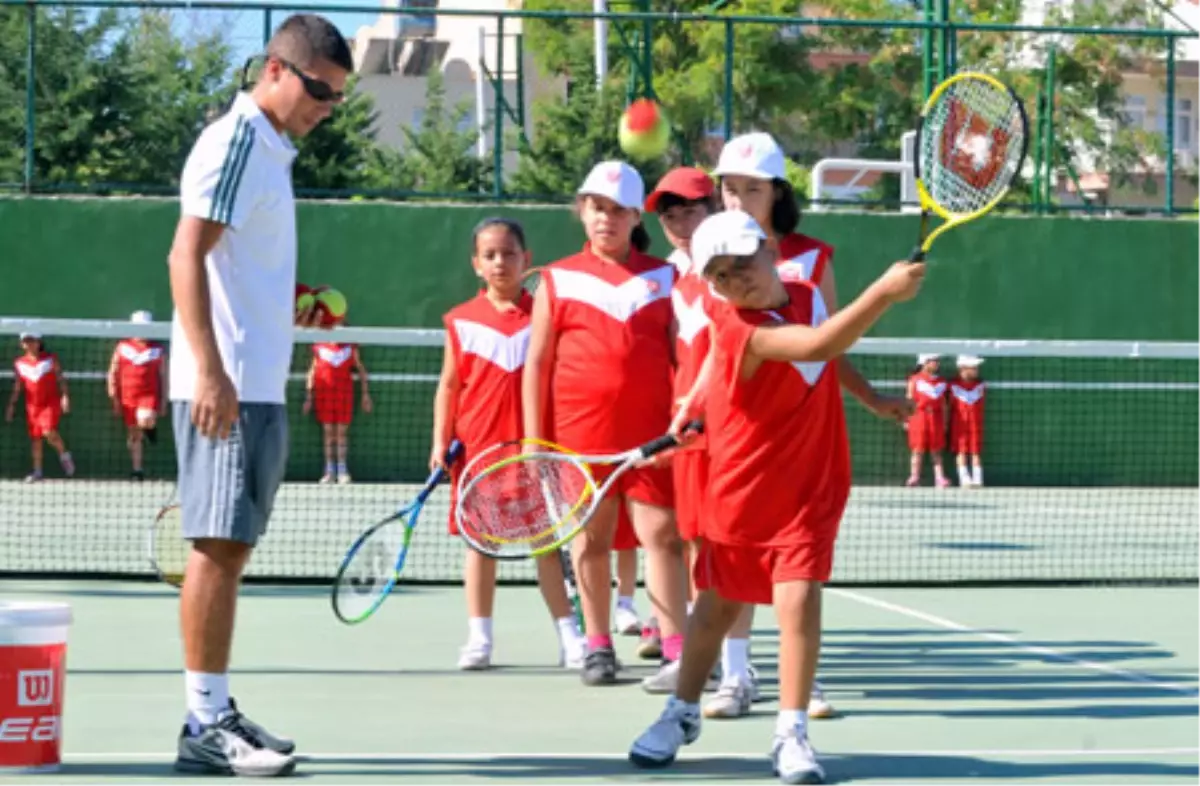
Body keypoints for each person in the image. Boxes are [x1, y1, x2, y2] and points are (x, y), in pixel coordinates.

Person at [628, 209, 925, 785]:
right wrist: (883, 294)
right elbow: (815, 345)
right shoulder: (743, 326)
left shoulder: (807, 289)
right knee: (714, 608)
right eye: (722, 276)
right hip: (742, 487)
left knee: (797, 601)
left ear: (769, 248)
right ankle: (681, 712)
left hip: (810, 487)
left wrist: (871, 399)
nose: (739, 281)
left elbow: (828, 356)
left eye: (745, 263)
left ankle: (790, 731)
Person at [166, 13, 351, 777]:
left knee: (232, 549)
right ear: (275, 69)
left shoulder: (273, 151)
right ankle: (203, 723)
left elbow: (238, 267)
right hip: (229, 387)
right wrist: (212, 371)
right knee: (216, 547)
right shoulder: (238, 140)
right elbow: (185, 252)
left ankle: (217, 706)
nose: (325, 107)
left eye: (336, 98)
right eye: (317, 90)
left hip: (259, 383)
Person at [523, 161, 688, 687]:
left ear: (636, 216)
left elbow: (680, 358)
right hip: (578, 438)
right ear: (582, 211)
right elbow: (538, 363)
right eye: (597, 207)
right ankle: (597, 645)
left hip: (651, 436)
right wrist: (533, 438)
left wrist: (684, 424)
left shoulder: (666, 278)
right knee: (590, 542)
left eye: (618, 210)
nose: (606, 219)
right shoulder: (556, 278)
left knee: (660, 537)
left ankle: (676, 645)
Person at [432, 217, 586, 671]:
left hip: (534, 452)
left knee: (546, 546)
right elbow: (448, 386)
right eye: (490, 255)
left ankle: (570, 638)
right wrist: (441, 439)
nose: (501, 262)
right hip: (478, 451)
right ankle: (479, 639)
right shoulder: (460, 321)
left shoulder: (545, 315)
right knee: (481, 547)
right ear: (476, 264)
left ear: (527, 260)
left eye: (509, 254)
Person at [5, 332, 74, 482]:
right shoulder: (19, 363)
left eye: (32, 340)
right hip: (32, 406)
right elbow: (18, 386)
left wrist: (65, 396)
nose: (29, 344)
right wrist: (12, 405)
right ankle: (38, 471)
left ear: (39, 342)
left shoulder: (50, 359)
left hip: (50, 403)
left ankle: (64, 455)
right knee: (36, 439)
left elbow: (60, 378)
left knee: (48, 431)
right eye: (26, 341)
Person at [302, 335, 373, 484]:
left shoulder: (349, 348)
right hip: (324, 395)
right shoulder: (319, 346)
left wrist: (366, 395)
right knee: (328, 432)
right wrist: (309, 396)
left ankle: (342, 470)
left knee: (341, 433)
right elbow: (312, 372)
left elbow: (361, 370)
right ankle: (329, 471)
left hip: (344, 395)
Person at [107, 310, 168, 480]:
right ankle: (137, 470)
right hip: (128, 397)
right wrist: (114, 397)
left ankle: (150, 429)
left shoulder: (158, 350)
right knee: (134, 434)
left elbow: (164, 376)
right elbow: (113, 372)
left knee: (145, 419)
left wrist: (163, 401)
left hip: (149, 396)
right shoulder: (122, 347)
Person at [906, 353, 950, 488]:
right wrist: (907, 419)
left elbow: (944, 405)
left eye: (937, 361)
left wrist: (945, 422)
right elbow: (908, 399)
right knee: (917, 450)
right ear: (924, 363)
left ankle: (940, 478)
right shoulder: (914, 380)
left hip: (936, 419)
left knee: (936, 451)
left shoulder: (942, 382)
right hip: (918, 417)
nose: (936, 363)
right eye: (933, 361)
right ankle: (914, 477)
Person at [949, 355, 986, 488]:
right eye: (973, 367)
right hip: (959, 425)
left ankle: (978, 479)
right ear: (963, 369)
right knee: (961, 451)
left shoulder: (980, 385)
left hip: (976, 424)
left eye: (977, 368)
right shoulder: (953, 385)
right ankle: (964, 479)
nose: (976, 370)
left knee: (976, 451)